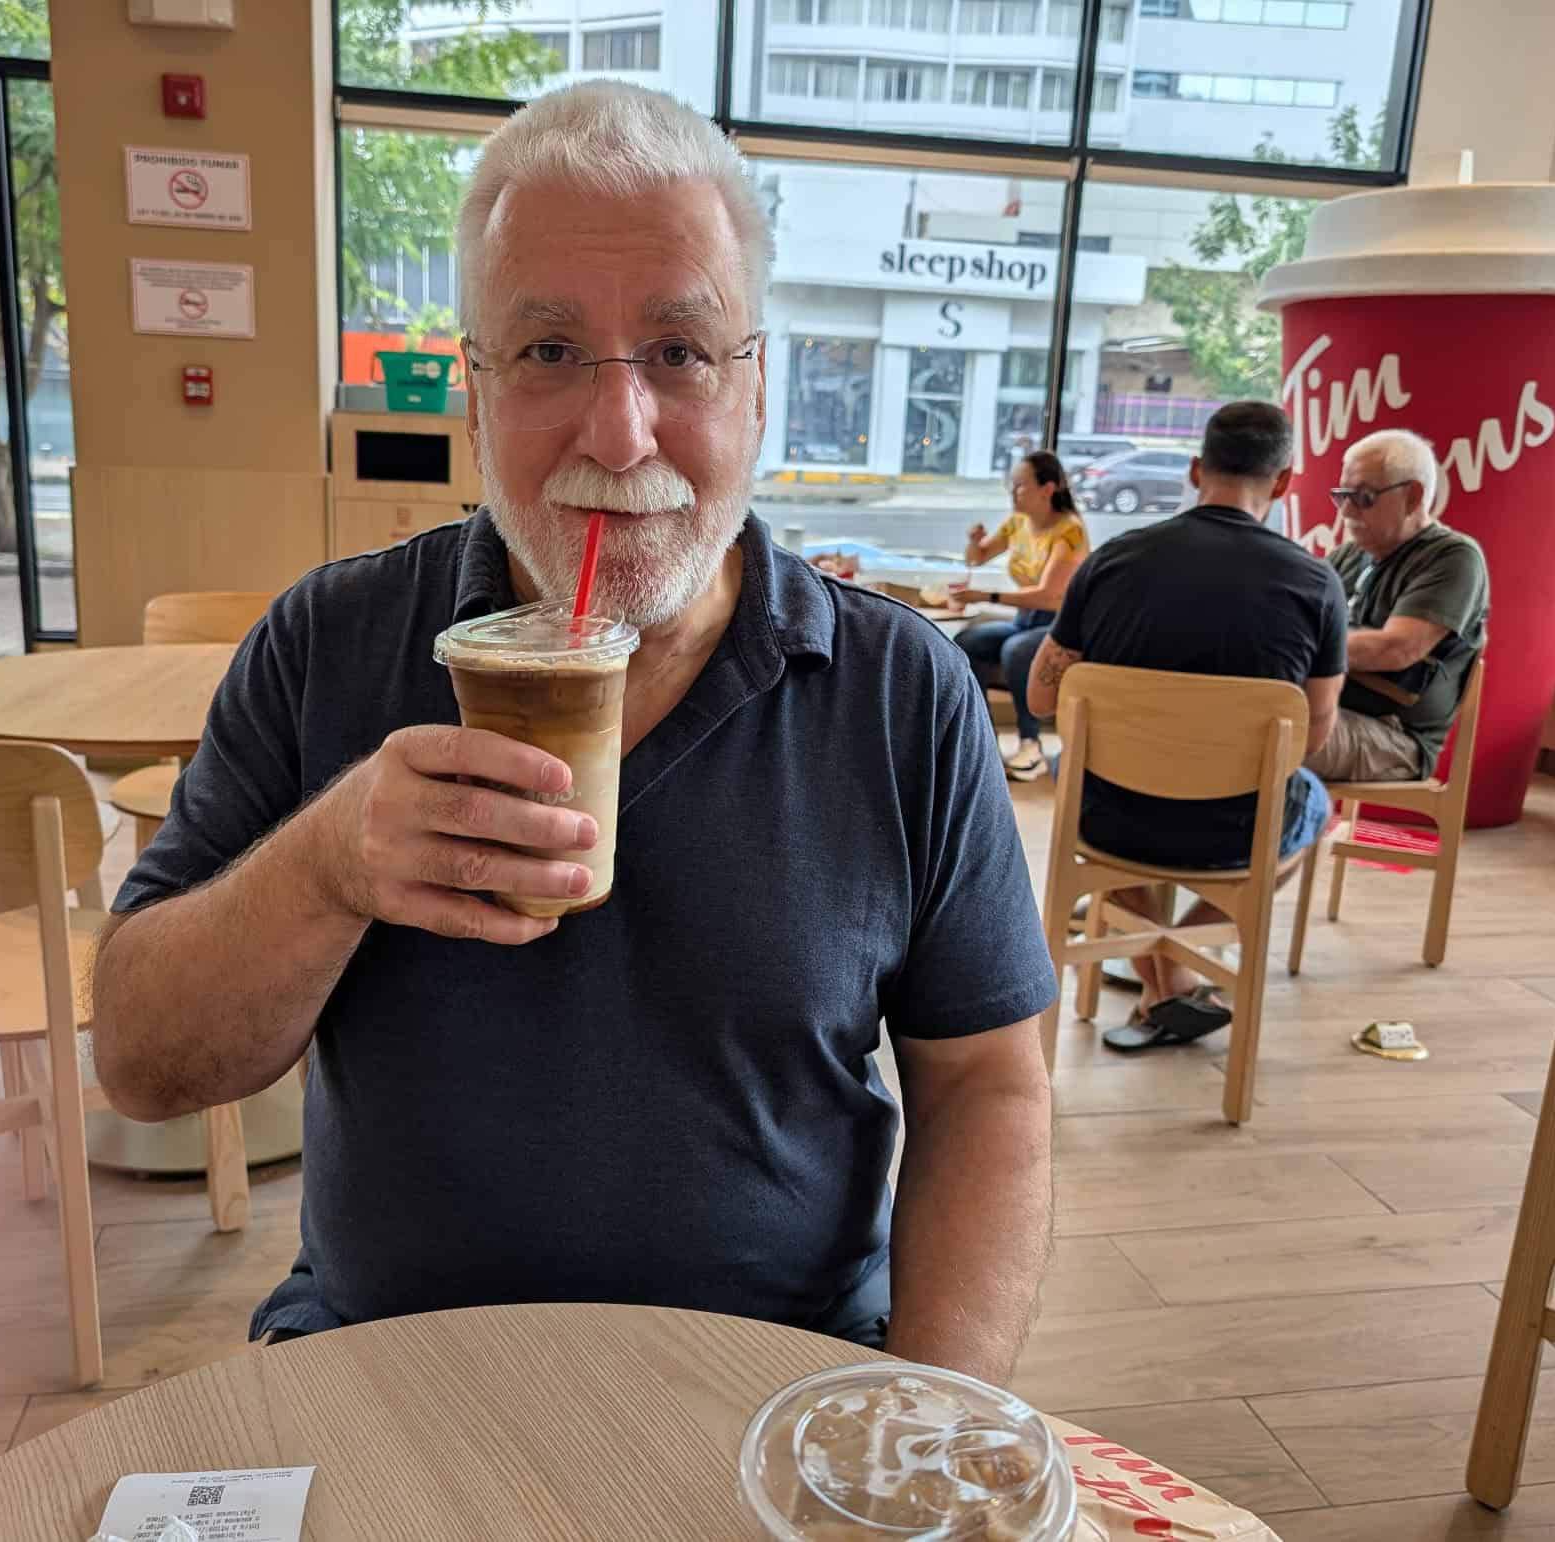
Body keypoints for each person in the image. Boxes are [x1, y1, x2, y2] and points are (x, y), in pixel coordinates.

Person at [90, 82, 1056, 1387]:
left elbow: (989, 1087)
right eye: (548, 353)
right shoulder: (326, 645)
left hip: (782, 1386)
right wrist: (326, 868)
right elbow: (145, 1060)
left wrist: (925, 1426)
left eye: (680, 351)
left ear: (756, 386)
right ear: (475, 398)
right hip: (383, 1371)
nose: (620, 431)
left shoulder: (905, 694)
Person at [1026, 401, 1344, 1050]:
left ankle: (1161, 972)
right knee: (1315, 803)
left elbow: (1039, 697)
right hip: (1235, 827)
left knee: (1079, 771)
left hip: (1113, 817)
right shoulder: (1317, 585)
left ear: (1196, 470)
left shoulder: (1112, 561)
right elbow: (1311, 737)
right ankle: (1178, 975)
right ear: (1284, 482)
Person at [1307, 428, 1489, 783]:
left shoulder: (1453, 558)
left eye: (1363, 497)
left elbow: (1396, 649)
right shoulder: (1348, 556)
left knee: (1253, 736)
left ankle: (1286, 830)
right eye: (1343, 495)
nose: (1346, 510)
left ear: (1413, 496)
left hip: (1394, 737)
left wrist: (1295, 644)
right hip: (1327, 709)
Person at [950, 450, 1089, 782]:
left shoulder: (1069, 532)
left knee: (1017, 650)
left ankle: (1032, 743)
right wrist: (973, 542)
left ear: (1047, 489)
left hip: (1059, 625)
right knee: (966, 642)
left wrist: (986, 596)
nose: (1013, 493)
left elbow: (1049, 595)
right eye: (1012, 485)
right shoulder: (1018, 523)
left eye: (1021, 485)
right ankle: (981, 737)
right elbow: (978, 558)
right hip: (1024, 620)